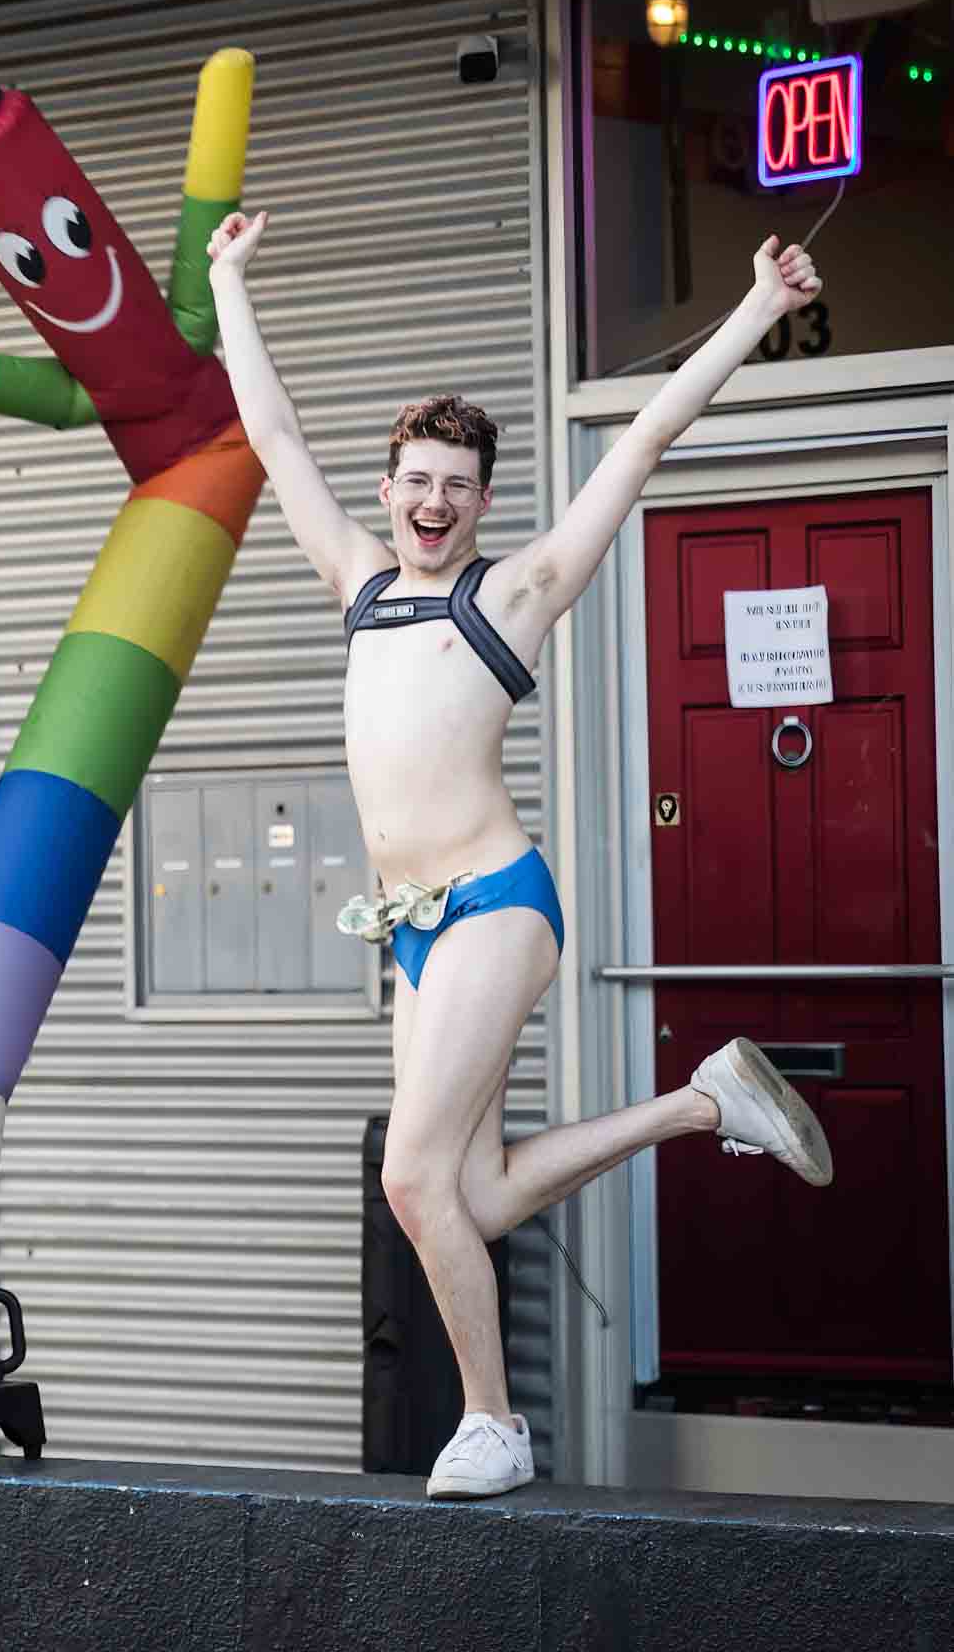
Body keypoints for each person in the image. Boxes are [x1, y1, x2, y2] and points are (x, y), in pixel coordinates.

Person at [207, 211, 833, 1500]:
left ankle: (491, 1422)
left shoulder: (519, 593)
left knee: (407, 1171)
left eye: (457, 485)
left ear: (483, 500)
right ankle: (705, 1104)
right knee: (472, 1197)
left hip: (498, 903)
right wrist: (225, 278)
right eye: (413, 482)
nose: (432, 504)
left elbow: (648, 438)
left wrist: (760, 310)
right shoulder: (363, 588)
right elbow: (271, 439)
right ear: (388, 492)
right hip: (412, 925)